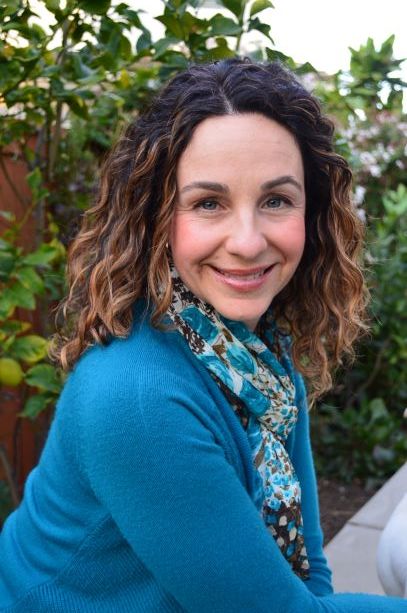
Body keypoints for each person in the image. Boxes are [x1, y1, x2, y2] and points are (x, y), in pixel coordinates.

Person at [0, 58, 405, 612]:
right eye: (208, 203)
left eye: (276, 200)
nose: (247, 241)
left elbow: (308, 572)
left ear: (312, 215)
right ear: (156, 218)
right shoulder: (137, 398)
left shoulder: (260, 358)